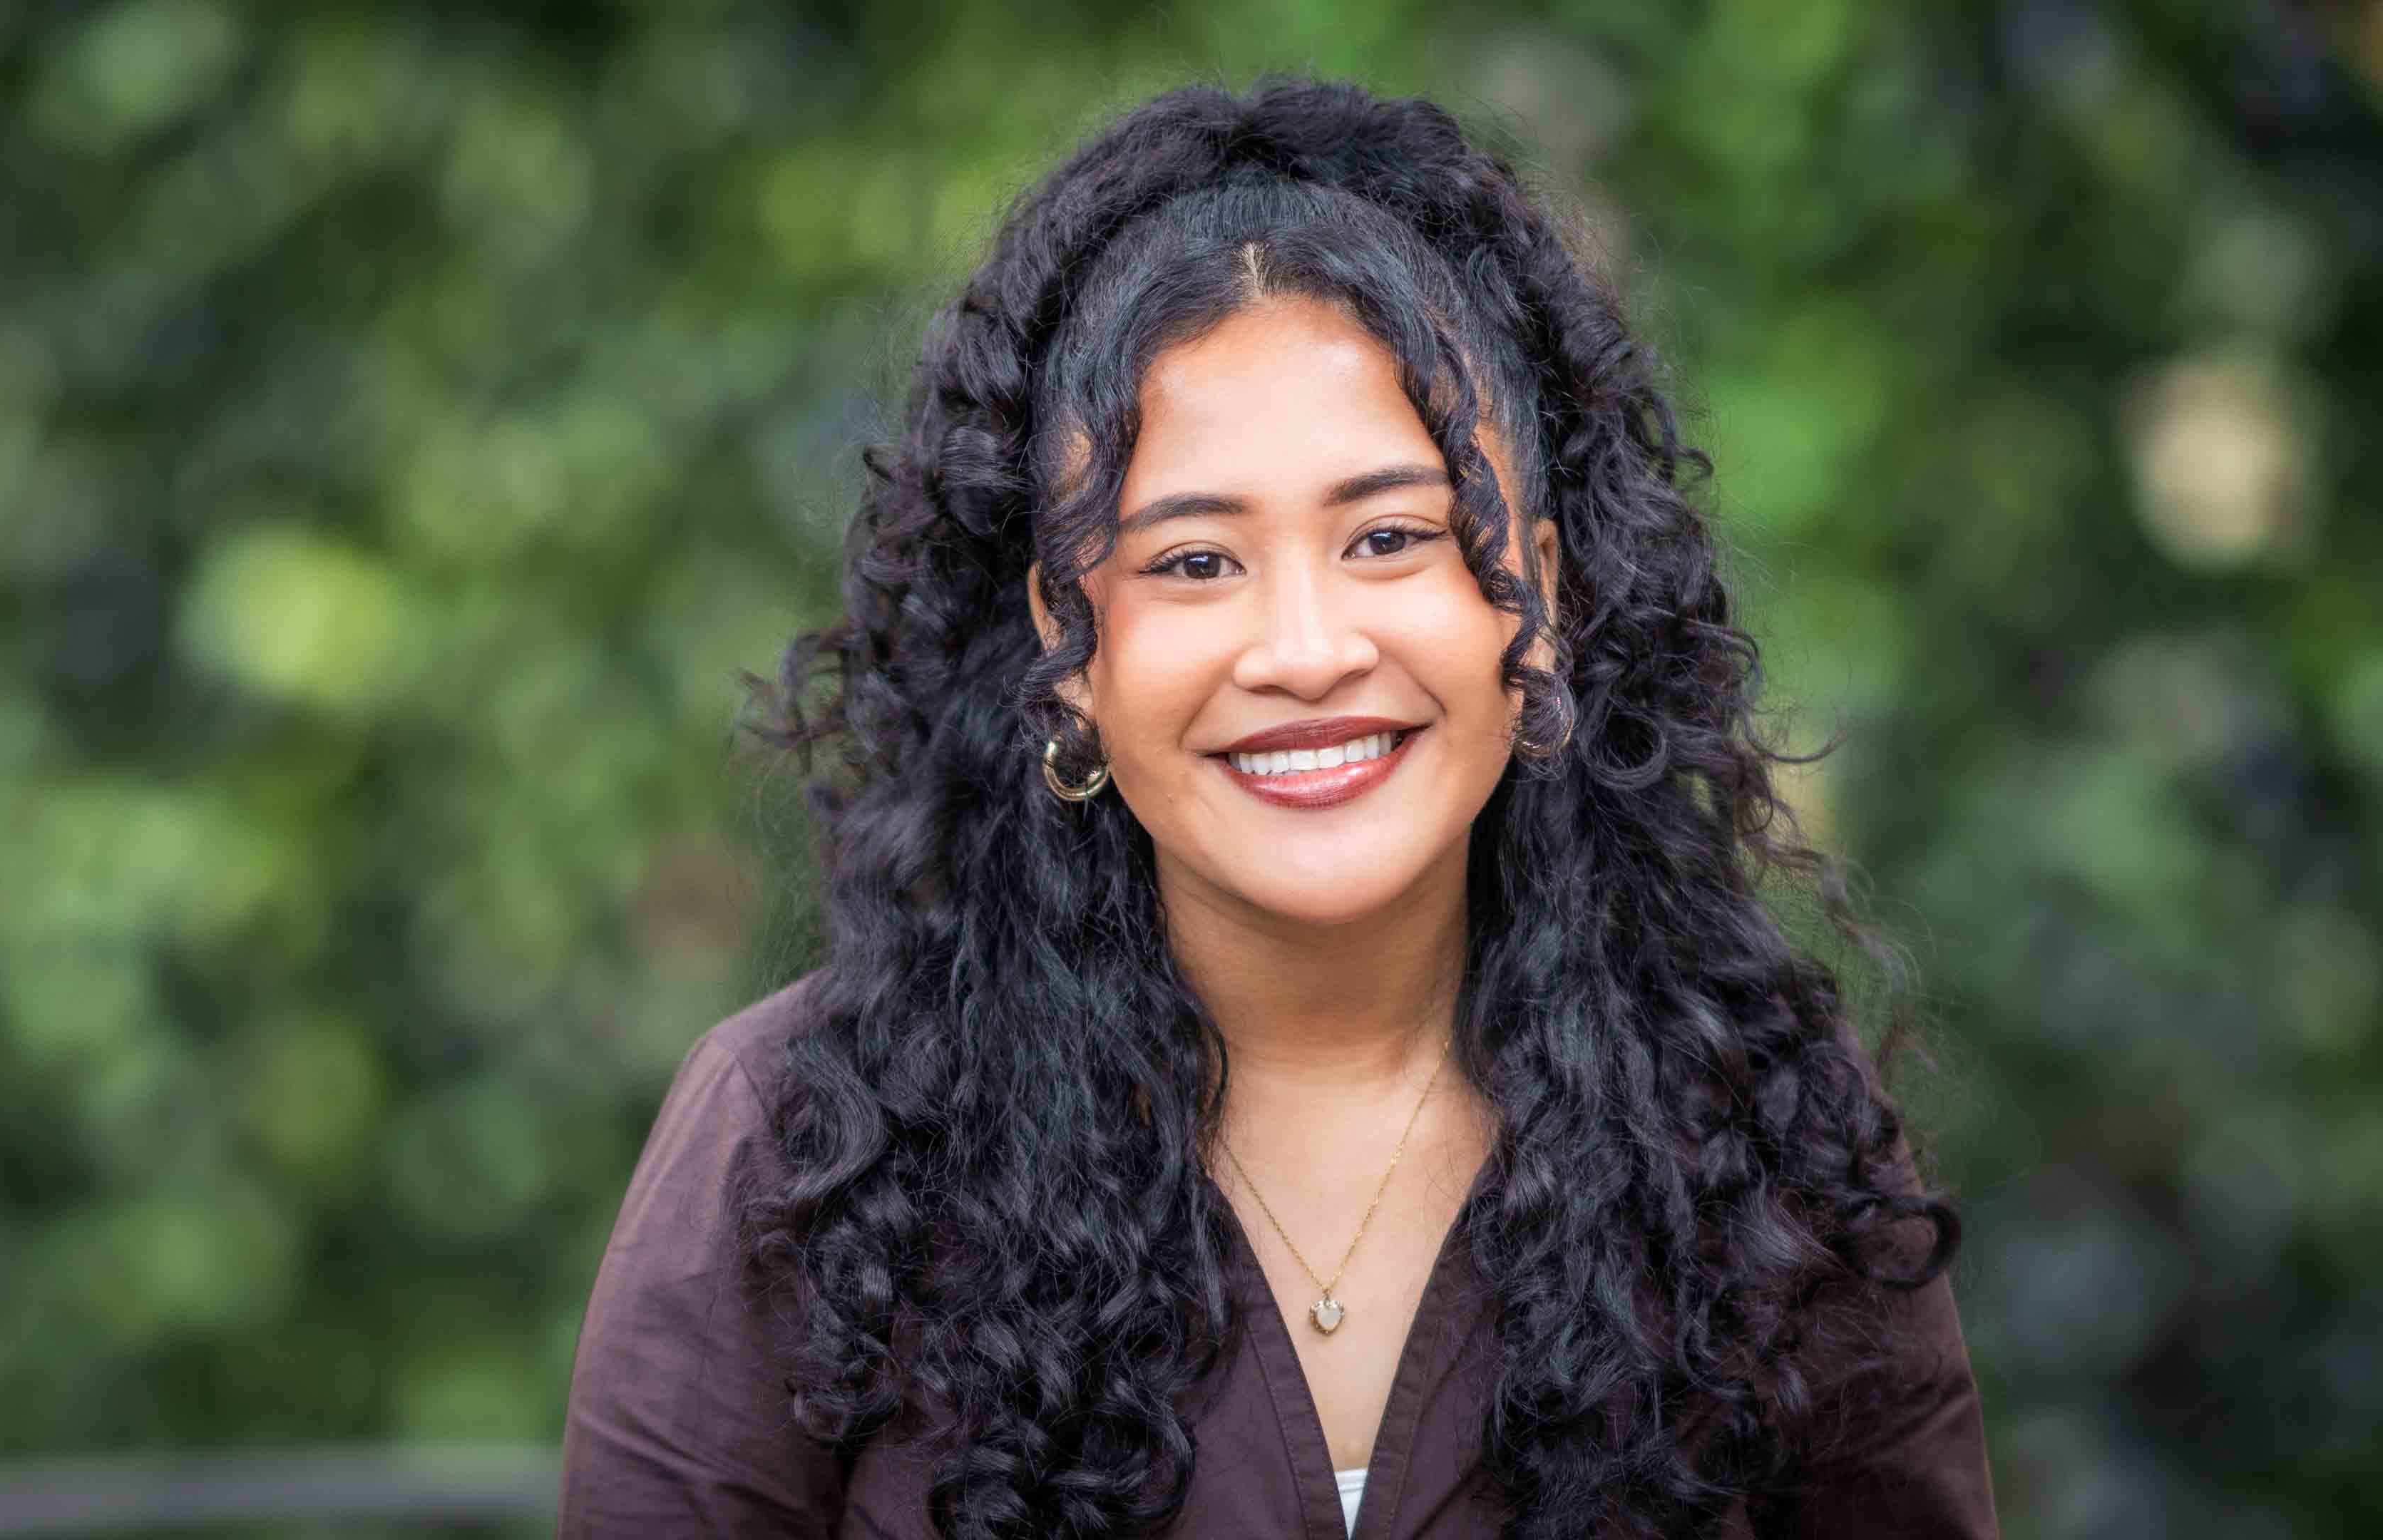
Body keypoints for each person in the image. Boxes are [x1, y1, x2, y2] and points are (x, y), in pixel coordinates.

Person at [558, 74, 2000, 1539]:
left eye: (1391, 536)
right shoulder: (804, 1150)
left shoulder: (1755, 1139)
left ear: (1543, 601)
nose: (1306, 651)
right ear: (1069, 643)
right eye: (1194, 562)